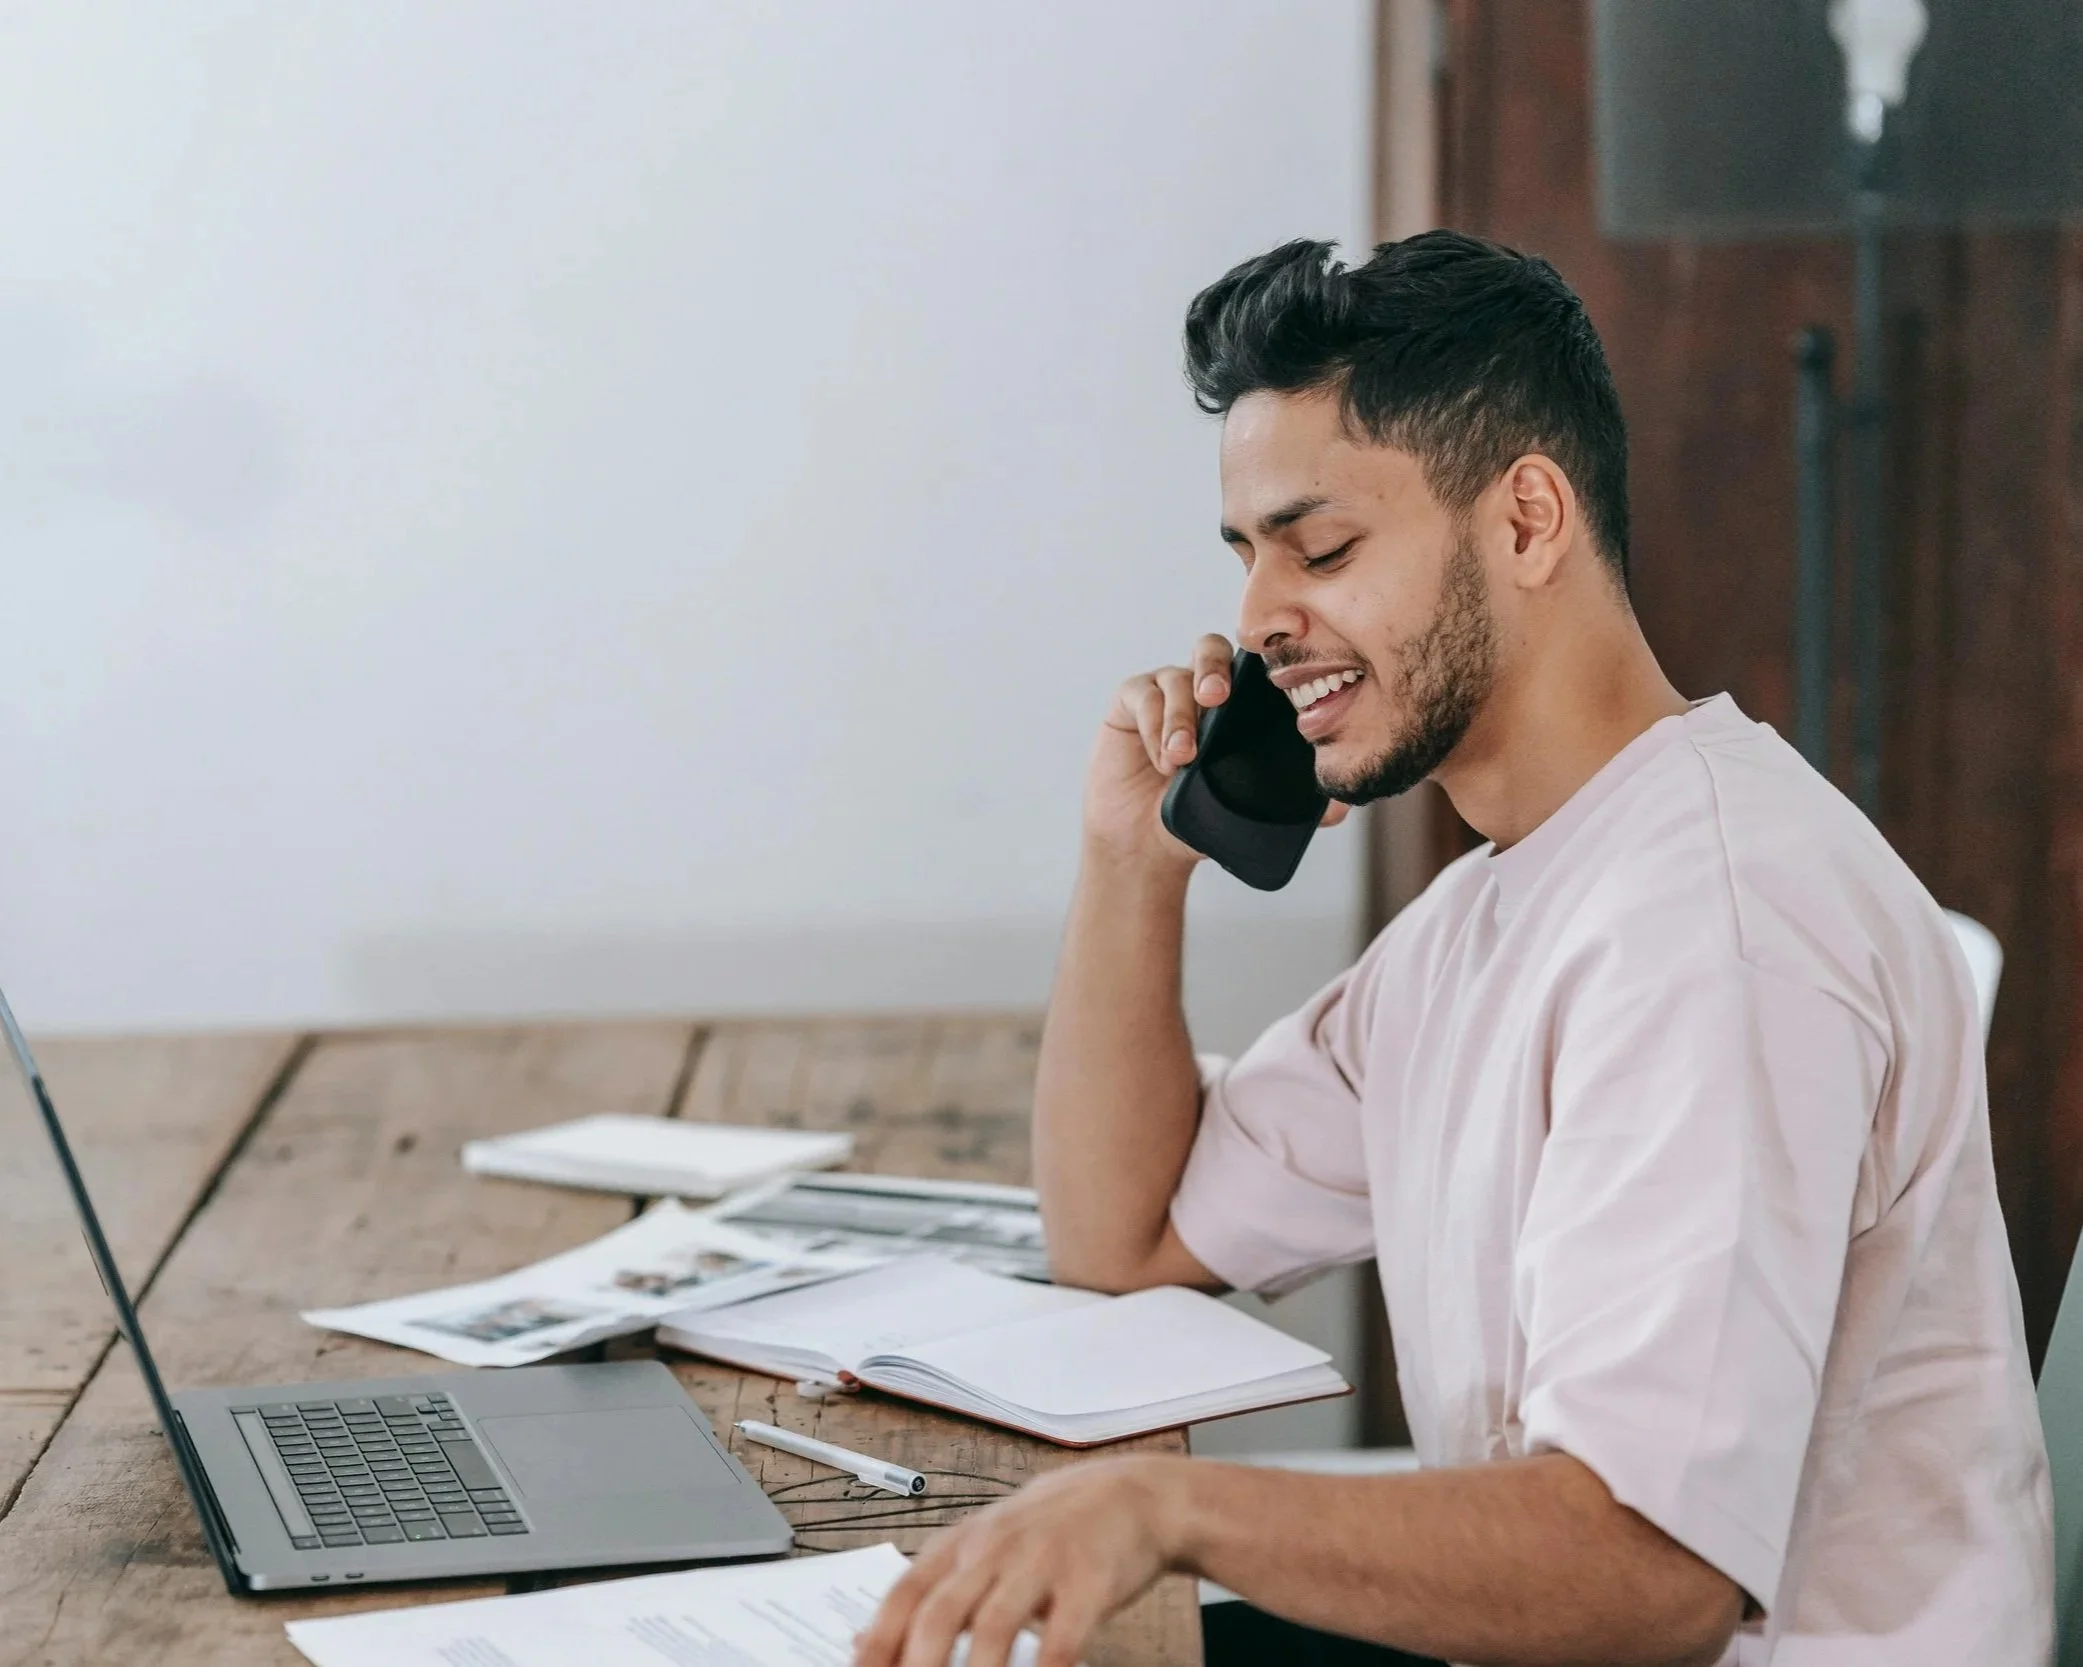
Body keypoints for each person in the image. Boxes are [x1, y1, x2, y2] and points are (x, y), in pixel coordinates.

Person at [851, 232, 2052, 1667]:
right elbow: (1126, 1240)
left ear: (1528, 520)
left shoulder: (1715, 934)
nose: (1258, 621)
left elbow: (1645, 1571)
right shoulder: (1496, 909)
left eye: (1325, 546)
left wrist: (1167, 1508)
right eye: (1246, 557)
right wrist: (1132, 866)